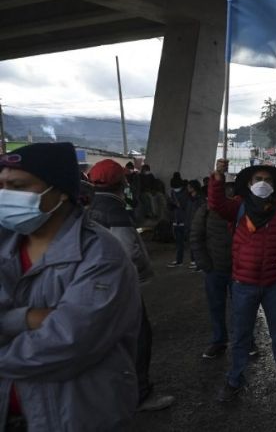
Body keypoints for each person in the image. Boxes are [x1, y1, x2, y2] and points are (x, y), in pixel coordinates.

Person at [0, 143, 141, 430]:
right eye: (1, 186)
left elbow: (68, 342)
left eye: (18, 186)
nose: (5, 196)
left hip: (75, 416)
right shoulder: (6, 245)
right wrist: (28, 318)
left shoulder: (101, 254)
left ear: (59, 191)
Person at [208, 159, 276, 401]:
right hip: (243, 284)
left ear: (274, 186)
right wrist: (218, 178)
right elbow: (216, 204)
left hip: (274, 284)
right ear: (249, 184)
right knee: (241, 335)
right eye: (258, 179)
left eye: (268, 180)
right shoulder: (239, 207)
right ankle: (234, 379)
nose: (263, 183)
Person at [87, 159, 176, 413]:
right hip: (121, 288)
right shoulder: (116, 212)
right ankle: (140, 394)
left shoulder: (89, 208)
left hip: (95, 287)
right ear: (122, 183)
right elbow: (128, 252)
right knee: (139, 338)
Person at [190, 181, 235, 359]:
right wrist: (206, 265)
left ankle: (246, 340)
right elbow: (195, 238)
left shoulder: (237, 210)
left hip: (237, 270)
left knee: (242, 308)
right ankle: (219, 341)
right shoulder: (205, 211)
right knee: (216, 307)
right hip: (214, 270)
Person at [167, 174, 190, 267]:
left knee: (189, 242)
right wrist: (172, 205)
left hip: (184, 220)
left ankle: (194, 261)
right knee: (179, 243)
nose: (175, 189)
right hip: (176, 220)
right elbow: (170, 206)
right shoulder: (173, 192)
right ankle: (179, 260)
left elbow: (185, 206)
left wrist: (176, 205)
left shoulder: (185, 193)